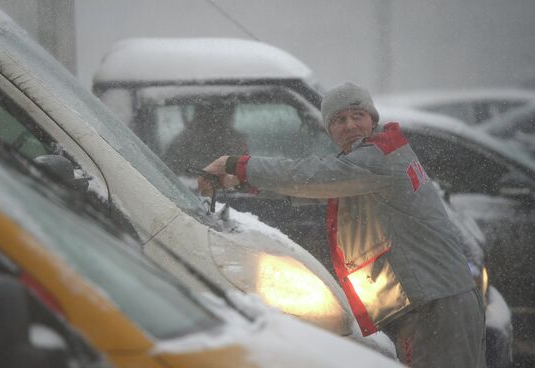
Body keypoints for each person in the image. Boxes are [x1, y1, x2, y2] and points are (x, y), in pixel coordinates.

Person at [198, 82, 486, 367]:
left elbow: (311, 176)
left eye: (357, 115)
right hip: (435, 302)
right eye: (339, 119)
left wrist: (235, 164)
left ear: (372, 119)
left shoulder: (378, 157)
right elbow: (318, 187)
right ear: (329, 129)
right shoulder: (372, 158)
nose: (349, 125)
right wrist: (245, 182)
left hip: (435, 307)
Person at [163, 102, 248, 174]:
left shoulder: (236, 142)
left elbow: (244, 175)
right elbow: (170, 177)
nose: (213, 124)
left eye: (220, 116)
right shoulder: (182, 143)